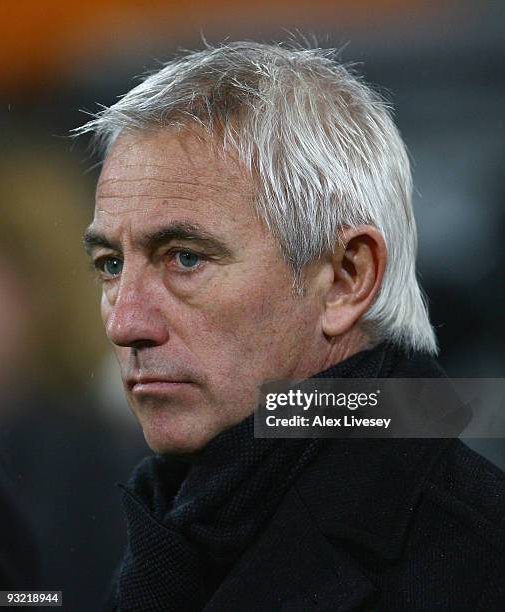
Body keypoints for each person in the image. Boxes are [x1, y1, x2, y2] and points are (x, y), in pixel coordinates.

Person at [77, 42, 504, 611]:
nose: (126, 322)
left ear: (347, 279)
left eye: (185, 258)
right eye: (110, 264)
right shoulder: (182, 524)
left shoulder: (479, 565)